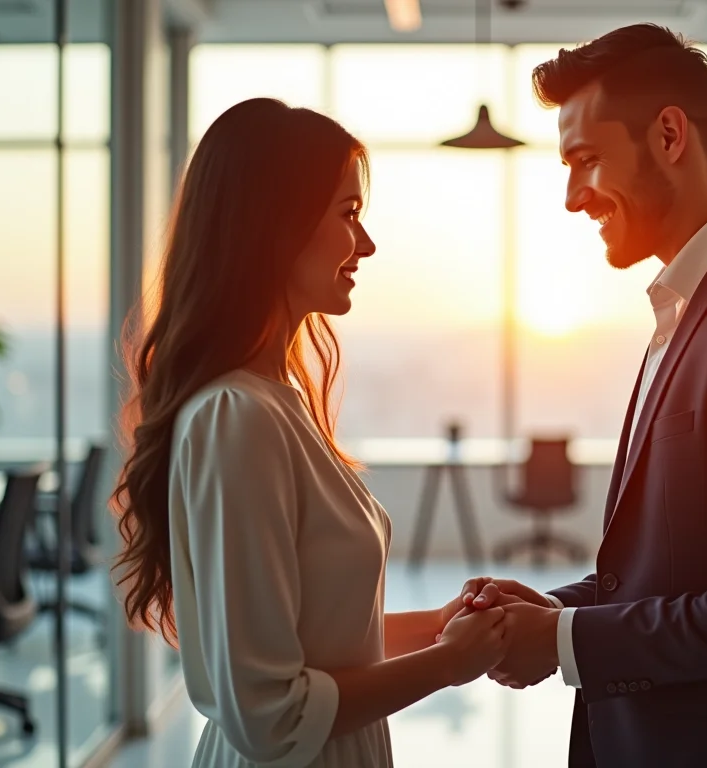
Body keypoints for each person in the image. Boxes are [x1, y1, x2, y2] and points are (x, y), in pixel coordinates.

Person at [463, 24, 707, 767]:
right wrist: (556, 611)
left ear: (670, 136)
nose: (572, 198)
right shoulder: (696, 308)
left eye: (586, 160)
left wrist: (564, 642)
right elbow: (678, 568)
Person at [109, 98, 508, 768]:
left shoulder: (277, 404)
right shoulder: (238, 419)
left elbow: (320, 640)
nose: (367, 244)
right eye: (349, 213)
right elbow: (273, 715)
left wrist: (439, 627)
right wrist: (447, 665)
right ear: (275, 227)